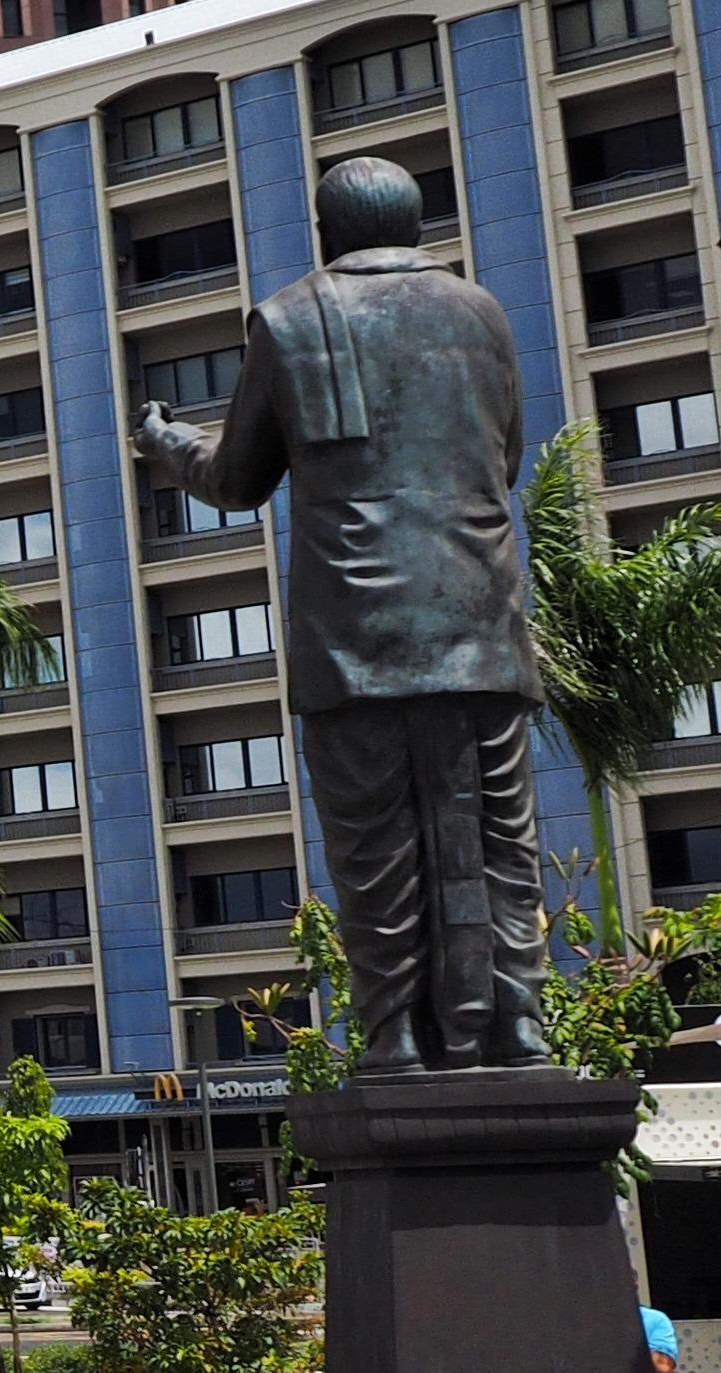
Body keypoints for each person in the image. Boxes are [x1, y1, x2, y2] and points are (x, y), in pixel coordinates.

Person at [135, 154, 547, 1072]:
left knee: (377, 851)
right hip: (479, 621)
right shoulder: (481, 312)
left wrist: (167, 443)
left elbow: (237, 479)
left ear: (327, 232)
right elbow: (506, 456)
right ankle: (521, 1024)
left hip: (354, 634)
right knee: (499, 841)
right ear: (414, 221)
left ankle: (395, 1035)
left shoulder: (290, 320)